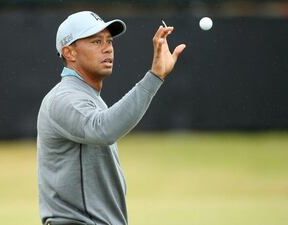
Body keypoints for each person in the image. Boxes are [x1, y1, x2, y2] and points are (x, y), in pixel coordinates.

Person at [37, 11, 185, 225]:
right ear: (69, 53)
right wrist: (154, 76)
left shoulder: (87, 96)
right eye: (96, 41)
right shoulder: (64, 97)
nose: (107, 48)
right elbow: (103, 129)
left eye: (109, 41)